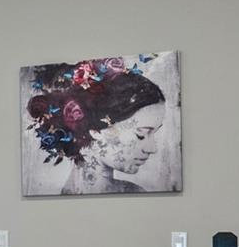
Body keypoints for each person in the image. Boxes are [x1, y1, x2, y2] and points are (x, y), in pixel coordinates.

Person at [26, 58, 166, 194]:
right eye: (141, 134)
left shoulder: (135, 192)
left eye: (154, 133)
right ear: (96, 130)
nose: (152, 148)